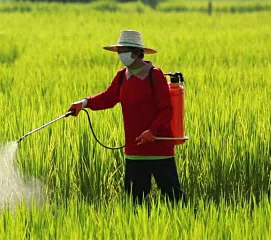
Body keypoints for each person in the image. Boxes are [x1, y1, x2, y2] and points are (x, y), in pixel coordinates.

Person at [68, 30, 184, 205]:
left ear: (137, 52)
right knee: (135, 202)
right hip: (134, 151)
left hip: (159, 149)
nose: (121, 55)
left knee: (173, 198)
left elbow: (166, 110)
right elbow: (108, 98)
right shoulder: (122, 76)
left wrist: (152, 131)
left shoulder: (155, 75)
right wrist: (84, 103)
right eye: (119, 51)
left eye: (125, 50)